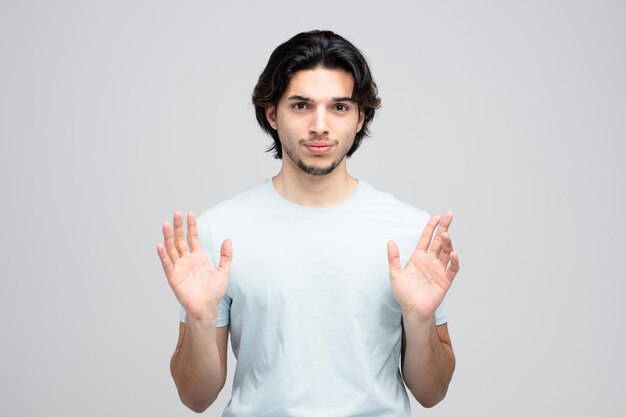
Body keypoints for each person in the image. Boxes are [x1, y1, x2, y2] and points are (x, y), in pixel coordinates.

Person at [156, 30, 460, 417]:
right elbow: (194, 397)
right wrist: (200, 320)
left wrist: (419, 321)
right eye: (301, 106)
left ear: (360, 116)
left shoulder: (410, 232)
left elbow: (432, 393)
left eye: (339, 107)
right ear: (272, 113)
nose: (320, 126)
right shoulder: (221, 230)